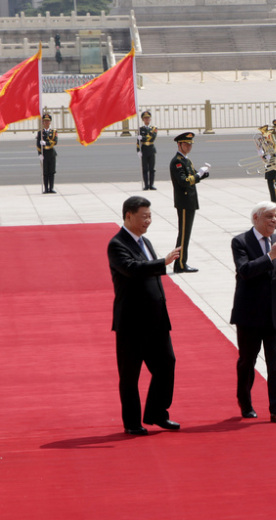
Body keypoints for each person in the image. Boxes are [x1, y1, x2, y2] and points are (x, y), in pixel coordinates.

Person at [107, 196, 181, 435]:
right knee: (130, 375)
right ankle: (132, 422)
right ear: (128, 215)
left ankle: (157, 413)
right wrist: (164, 262)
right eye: (144, 216)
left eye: (150, 216)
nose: (148, 220)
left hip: (157, 321)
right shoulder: (117, 244)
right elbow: (132, 269)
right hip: (132, 322)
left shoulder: (146, 241)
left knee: (166, 365)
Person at [230, 201, 276, 423]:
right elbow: (245, 271)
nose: (274, 220)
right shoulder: (241, 241)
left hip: (274, 312)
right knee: (247, 361)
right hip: (249, 314)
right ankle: (246, 402)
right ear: (256, 218)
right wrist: (270, 257)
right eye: (269, 216)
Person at [170, 132, 209, 273]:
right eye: (186, 144)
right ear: (179, 144)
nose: (189, 146)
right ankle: (180, 264)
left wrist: (202, 174)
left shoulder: (186, 160)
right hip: (184, 202)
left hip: (190, 201)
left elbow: (192, 176)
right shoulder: (177, 161)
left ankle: (181, 262)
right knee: (184, 234)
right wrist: (198, 175)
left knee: (186, 234)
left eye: (190, 144)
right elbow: (184, 181)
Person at [137, 111, 158, 191]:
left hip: (151, 149)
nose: (147, 119)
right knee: (145, 168)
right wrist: (138, 150)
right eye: (145, 118)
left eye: (148, 118)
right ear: (143, 119)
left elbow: (153, 138)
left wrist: (142, 138)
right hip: (144, 150)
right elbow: (137, 141)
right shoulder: (140, 129)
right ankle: (146, 185)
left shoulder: (154, 128)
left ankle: (151, 184)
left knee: (152, 169)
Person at [36, 113, 57, 194]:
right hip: (44, 154)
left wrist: (46, 143)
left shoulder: (53, 132)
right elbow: (38, 145)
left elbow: (55, 142)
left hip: (51, 154)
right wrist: (39, 154)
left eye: (47, 121)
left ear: (50, 122)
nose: (46, 123)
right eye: (44, 121)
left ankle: (51, 188)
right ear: (43, 122)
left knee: (52, 171)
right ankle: (46, 188)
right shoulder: (40, 133)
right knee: (45, 172)